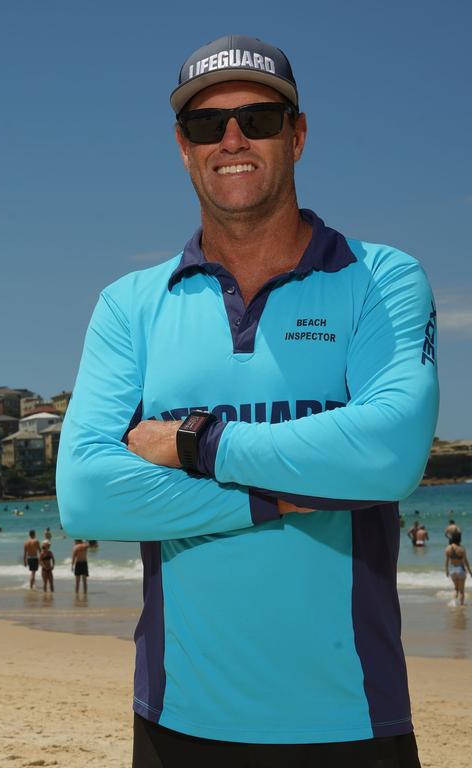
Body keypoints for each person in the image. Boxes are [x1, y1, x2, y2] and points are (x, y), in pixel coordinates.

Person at [56, 34, 437, 765]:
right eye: (207, 125)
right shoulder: (130, 305)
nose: (232, 139)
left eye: (258, 119)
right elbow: (88, 495)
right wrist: (276, 497)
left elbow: (388, 454)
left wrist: (199, 446)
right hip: (176, 724)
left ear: (297, 134)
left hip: (354, 722)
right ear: (183, 146)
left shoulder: (380, 279)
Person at [445, 532, 469, 606]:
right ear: (459, 539)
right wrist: (470, 572)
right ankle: (461, 605)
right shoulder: (461, 549)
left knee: (456, 589)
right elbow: (465, 561)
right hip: (460, 569)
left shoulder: (448, 548)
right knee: (461, 591)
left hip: (452, 570)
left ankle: (453, 602)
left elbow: (446, 561)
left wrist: (447, 571)